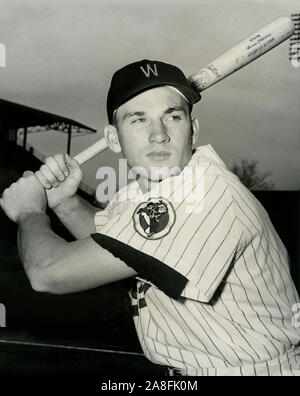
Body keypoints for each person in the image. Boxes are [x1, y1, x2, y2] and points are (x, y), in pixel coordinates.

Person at [1, 59, 300, 376]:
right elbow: (109, 244)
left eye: (172, 116)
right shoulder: (146, 193)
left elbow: (48, 274)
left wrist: (29, 212)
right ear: (114, 139)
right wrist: (64, 203)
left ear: (193, 129)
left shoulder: (202, 194)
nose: (159, 134)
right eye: (138, 119)